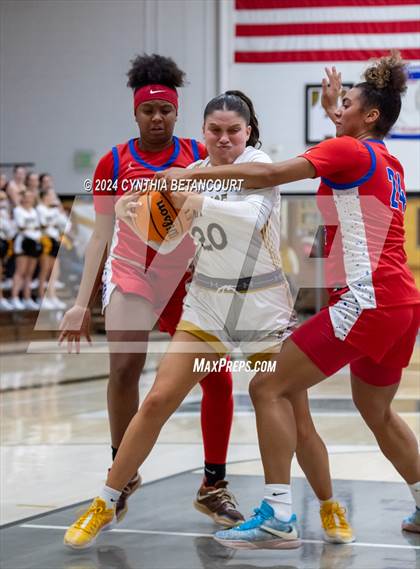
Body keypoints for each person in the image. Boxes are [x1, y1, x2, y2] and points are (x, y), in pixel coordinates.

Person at [64, 90, 353, 550]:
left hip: (261, 303)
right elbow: (164, 236)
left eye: (232, 131)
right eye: (214, 131)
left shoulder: (261, 167)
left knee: (297, 418)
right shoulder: (193, 173)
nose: (223, 139)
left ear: (248, 132)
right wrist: (132, 213)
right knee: (158, 398)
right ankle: (105, 500)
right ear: (202, 133)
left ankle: (328, 503)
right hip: (207, 303)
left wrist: (196, 203)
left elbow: (248, 216)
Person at [153, 52, 420, 548]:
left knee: (266, 387)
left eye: (347, 104)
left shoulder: (349, 152)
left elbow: (268, 174)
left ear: (370, 117)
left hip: (368, 301)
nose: (338, 109)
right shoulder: (387, 159)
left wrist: (189, 178)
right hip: (402, 305)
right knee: (376, 408)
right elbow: (343, 144)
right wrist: (332, 110)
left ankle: (278, 516)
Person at [59, 54, 239, 529]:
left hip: (186, 280)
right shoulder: (111, 161)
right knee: (123, 370)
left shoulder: (195, 157)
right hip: (132, 275)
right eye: (148, 111)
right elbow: (99, 233)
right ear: (135, 113)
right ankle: (124, 470)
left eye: (165, 111)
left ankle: (213, 485)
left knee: (216, 377)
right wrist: (80, 303)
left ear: (177, 112)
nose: (157, 119)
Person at [10, 190, 42, 310]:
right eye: (26, 197)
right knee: (20, 271)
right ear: (22, 198)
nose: (28, 199)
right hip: (23, 242)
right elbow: (21, 226)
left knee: (30, 272)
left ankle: (27, 298)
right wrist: (33, 231)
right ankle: (14, 298)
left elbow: (38, 226)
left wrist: (35, 233)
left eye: (30, 197)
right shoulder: (17, 210)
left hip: (34, 242)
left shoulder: (34, 211)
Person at [37, 188, 67, 309]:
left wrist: (59, 211)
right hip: (45, 240)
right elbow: (43, 224)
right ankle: (41, 296)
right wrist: (54, 222)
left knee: (55, 271)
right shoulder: (40, 208)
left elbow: (64, 224)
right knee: (45, 270)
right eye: (51, 195)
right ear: (44, 197)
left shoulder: (54, 210)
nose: (53, 198)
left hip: (55, 240)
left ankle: (52, 296)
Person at [0, 190, 16, 310]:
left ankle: (1, 299)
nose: (3, 202)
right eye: (1, 200)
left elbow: (10, 231)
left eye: (4, 199)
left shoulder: (5, 213)